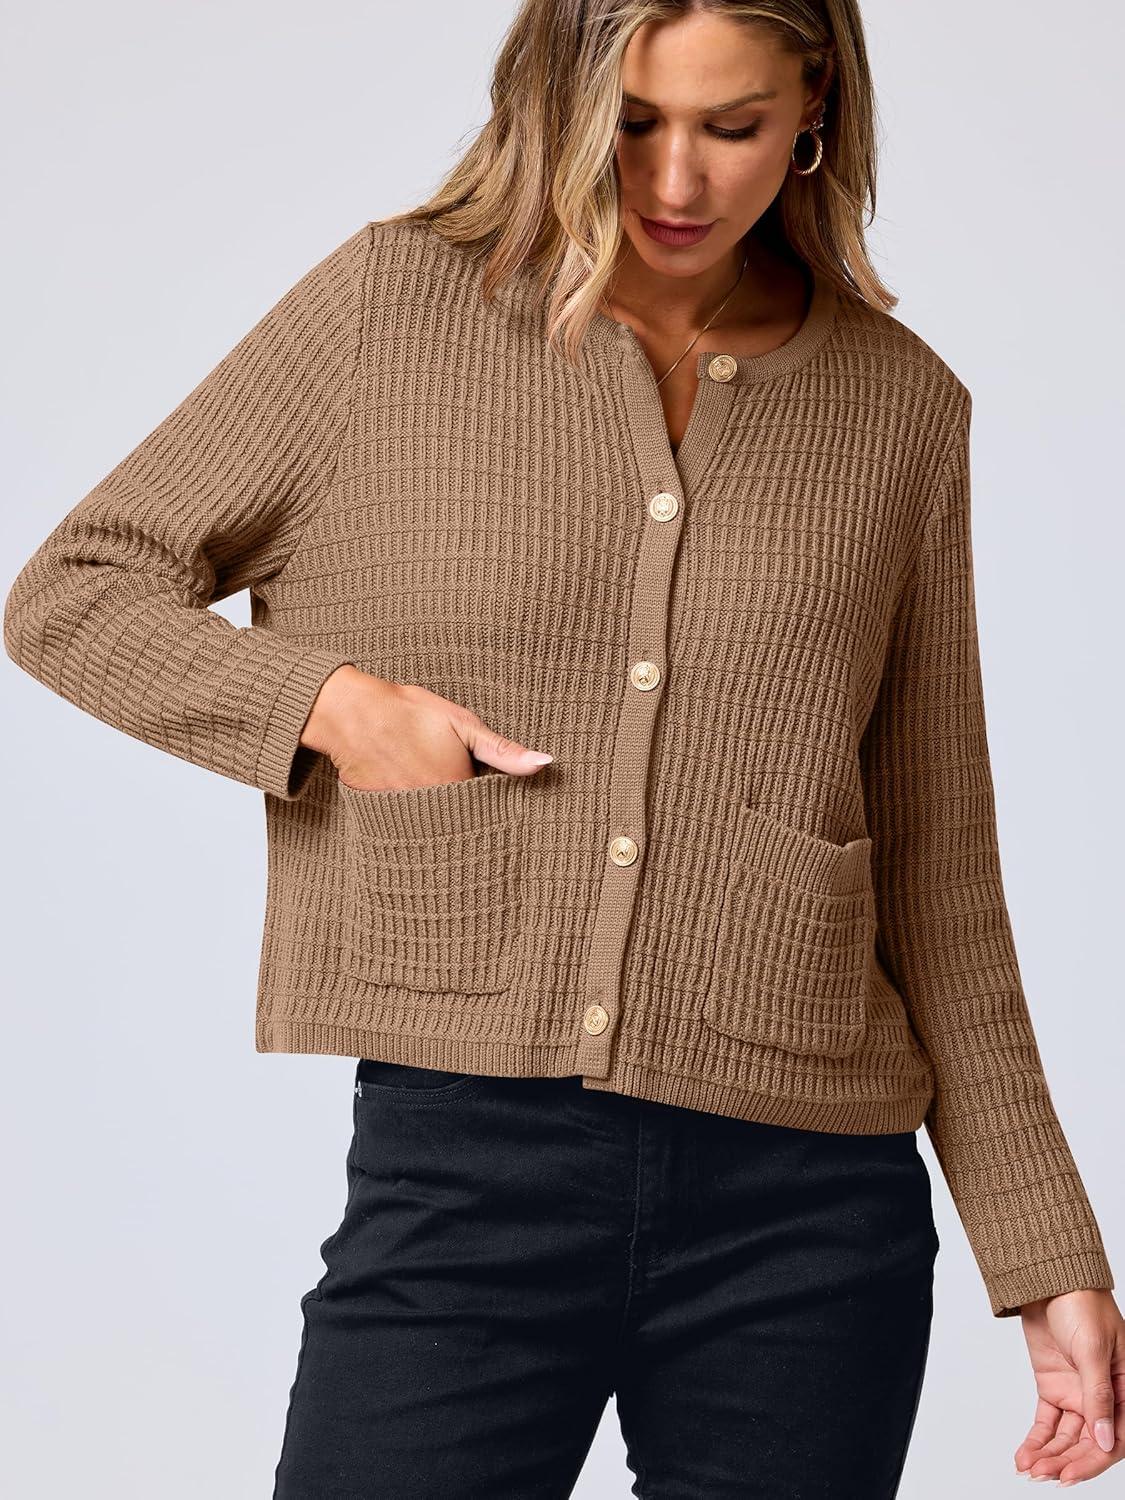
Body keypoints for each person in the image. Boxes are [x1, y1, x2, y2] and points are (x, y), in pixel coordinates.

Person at [5, 1, 1121, 1495]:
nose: (675, 180)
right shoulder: (392, 311)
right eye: (632, 123)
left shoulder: (898, 408)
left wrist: (1045, 1253)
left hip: (812, 1210)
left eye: (731, 127)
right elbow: (76, 592)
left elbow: (936, 866)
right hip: (471, 1164)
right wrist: (336, 709)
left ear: (814, 108)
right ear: (559, 102)